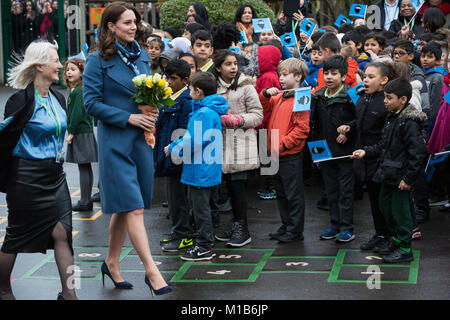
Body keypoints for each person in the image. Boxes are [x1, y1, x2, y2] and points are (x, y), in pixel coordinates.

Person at [83, 2, 171, 296]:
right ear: (111, 26)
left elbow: (147, 94)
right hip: (116, 141)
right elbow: (91, 104)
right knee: (133, 208)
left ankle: (111, 262)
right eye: (126, 23)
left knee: (124, 208)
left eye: (135, 22)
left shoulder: (143, 56)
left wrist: (151, 110)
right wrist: (129, 117)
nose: (133, 27)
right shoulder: (96, 60)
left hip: (141, 140)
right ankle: (152, 271)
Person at [0, 40, 76, 300]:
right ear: (40, 65)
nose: (60, 65)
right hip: (26, 178)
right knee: (15, 237)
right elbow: (4, 137)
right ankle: (3, 289)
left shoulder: (58, 97)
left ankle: (69, 295)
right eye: (55, 60)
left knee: (63, 233)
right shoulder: (19, 100)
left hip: (55, 177)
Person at [352, 78, 427, 263]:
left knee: (401, 212)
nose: (385, 101)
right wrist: (366, 151)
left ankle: (405, 248)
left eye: (389, 98)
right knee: (386, 207)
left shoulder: (408, 123)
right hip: (387, 173)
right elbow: (383, 146)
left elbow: (417, 154)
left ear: (403, 99)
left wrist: (408, 179)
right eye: (385, 97)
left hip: (400, 177)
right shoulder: (391, 118)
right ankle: (395, 238)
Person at [165, 72, 229, 261]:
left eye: (191, 88)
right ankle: (203, 243)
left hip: (201, 169)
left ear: (198, 91)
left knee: (201, 209)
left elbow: (194, 140)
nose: (189, 91)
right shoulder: (204, 109)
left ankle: (204, 247)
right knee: (200, 207)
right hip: (202, 168)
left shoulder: (204, 113)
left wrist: (173, 148)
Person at [212, 50, 263, 247]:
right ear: (218, 68)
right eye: (227, 64)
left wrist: (239, 119)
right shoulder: (213, 86)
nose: (233, 67)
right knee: (227, 188)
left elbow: (258, 115)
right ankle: (235, 224)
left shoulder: (245, 86)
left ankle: (243, 228)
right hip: (219, 143)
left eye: (235, 63)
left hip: (241, 143)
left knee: (238, 187)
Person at [259, 58, 310, 242]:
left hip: (289, 154)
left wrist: (281, 146)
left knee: (292, 194)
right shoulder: (280, 95)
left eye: (285, 74)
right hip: (274, 152)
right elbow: (263, 106)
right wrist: (265, 93)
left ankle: (295, 230)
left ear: (297, 76)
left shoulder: (302, 97)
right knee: (280, 192)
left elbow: (302, 129)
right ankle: (286, 224)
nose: (280, 78)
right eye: (280, 74)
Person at [355, 62, 403, 251]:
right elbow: (359, 121)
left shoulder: (386, 103)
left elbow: (387, 136)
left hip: (381, 160)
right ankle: (380, 233)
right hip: (365, 158)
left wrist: (371, 151)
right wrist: (349, 127)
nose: (365, 79)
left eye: (371, 77)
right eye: (365, 76)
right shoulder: (362, 98)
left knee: (385, 203)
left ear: (384, 80)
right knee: (374, 201)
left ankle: (391, 237)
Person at [312, 55, 357, 243]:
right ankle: (334, 224)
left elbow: (359, 119)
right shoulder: (319, 96)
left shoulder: (351, 96)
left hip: (344, 152)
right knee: (330, 190)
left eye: (334, 74)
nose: (329, 77)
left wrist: (348, 129)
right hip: (324, 151)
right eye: (327, 73)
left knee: (345, 191)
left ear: (344, 76)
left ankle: (347, 227)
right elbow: (315, 124)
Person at [155, 59, 193, 252]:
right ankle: (177, 231)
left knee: (179, 198)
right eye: (167, 77)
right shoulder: (170, 96)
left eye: (173, 78)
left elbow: (185, 130)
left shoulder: (186, 100)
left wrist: (175, 151)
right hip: (167, 152)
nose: (169, 81)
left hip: (177, 156)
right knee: (172, 197)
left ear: (185, 80)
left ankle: (183, 235)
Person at [63, 58, 98, 212]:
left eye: (73, 69)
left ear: (82, 72)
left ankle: (85, 201)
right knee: (85, 166)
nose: (69, 72)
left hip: (80, 133)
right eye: (67, 69)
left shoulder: (77, 91)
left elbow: (76, 114)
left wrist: (71, 132)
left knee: (83, 166)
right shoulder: (80, 89)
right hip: (85, 132)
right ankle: (86, 199)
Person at [421, 42, 444, 126]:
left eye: (430, 57)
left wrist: (431, 121)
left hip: (430, 121)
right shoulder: (422, 74)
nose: (425, 59)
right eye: (423, 56)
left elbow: (435, 103)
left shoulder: (438, 77)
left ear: (438, 60)